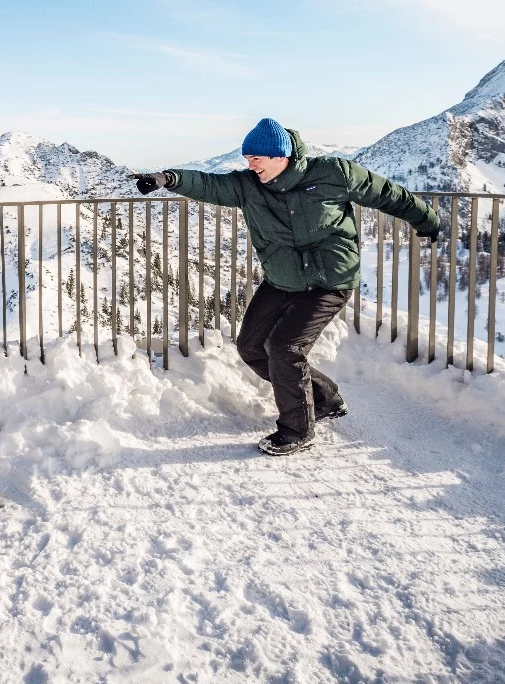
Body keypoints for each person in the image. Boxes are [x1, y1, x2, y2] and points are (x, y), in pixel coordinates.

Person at [131, 119, 440, 457]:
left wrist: (427, 220)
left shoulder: (333, 173)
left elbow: (388, 195)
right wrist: (168, 178)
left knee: (285, 347)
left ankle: (297, 430)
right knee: (251, 347)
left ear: (282, 156)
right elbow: (208, 183)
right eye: (247, 158)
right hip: (283, 280)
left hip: (329, 281)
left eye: (256, 158)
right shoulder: (248, 186)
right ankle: (326, 400)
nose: (250, 165)